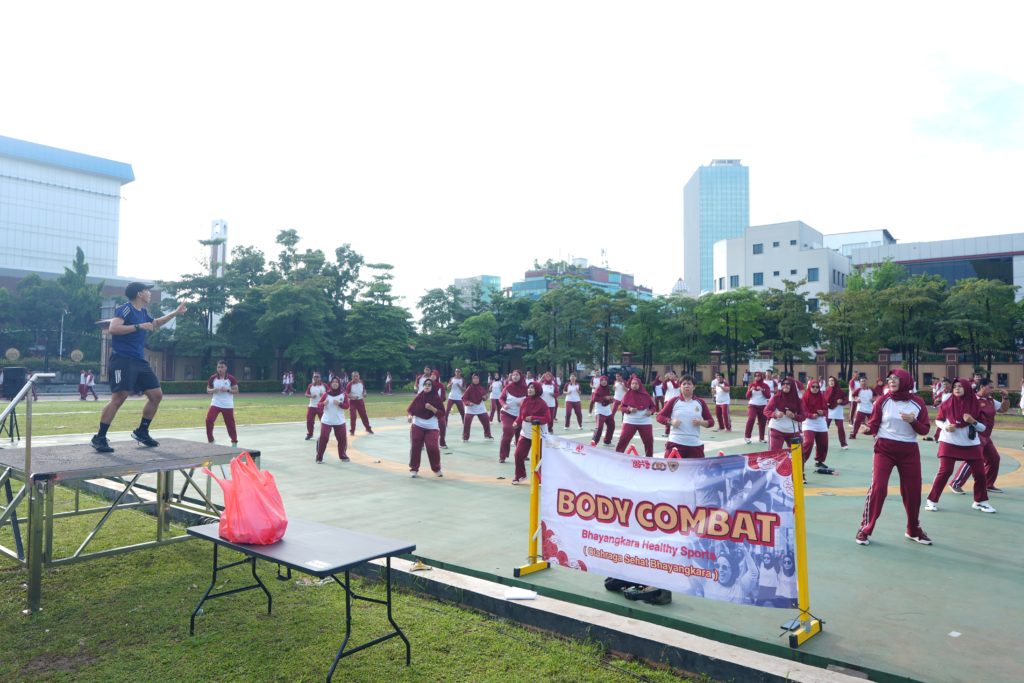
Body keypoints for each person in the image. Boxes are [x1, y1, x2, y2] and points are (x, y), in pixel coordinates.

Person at [90, 282, 187, 453]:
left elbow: (155, 323)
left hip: (139, 361)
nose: (150, 293)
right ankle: (99, 437)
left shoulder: (143, 312)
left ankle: (142, 431)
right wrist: (138, 326)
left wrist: (175, 313)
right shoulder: (125, 309)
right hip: (122, 359)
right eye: (147, 291)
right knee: (119, 397)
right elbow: (113, 328)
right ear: (139, 294)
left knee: (156, 395)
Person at [855, 369, 932, 546]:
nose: (891, 382)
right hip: (885, 449)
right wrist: (868, 430)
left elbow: (925, 430)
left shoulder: (918, 403)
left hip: (909, 451)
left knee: (913, 491)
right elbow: (874, 424)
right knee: (879, 487)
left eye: (896, 379)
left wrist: (913, 421)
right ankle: (865, 528)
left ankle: (913, 529)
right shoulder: (883, 400)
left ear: (905, 381)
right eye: (889, 379)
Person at [924, 378, 996, 513]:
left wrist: (973, 421)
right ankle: (931, 501)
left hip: (971, 443)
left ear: (967, 389)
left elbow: (982, 428)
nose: (956, 388)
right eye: (955, 386)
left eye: (960, 386)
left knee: (980, 473)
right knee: (945, 471)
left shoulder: (976, 405)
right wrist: (945, 427)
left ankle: (980, 502)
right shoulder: (947, 403)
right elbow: (938, 420)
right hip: (948, 442)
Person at [656, 374, 714, 458]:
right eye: (684, 384)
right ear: (680, 386)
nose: (686, 386)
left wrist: (701, 422)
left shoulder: (700, 402)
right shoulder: (674, 401)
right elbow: (659, 416)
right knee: (671, 470)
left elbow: (711, 422)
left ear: (694, 387)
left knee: (697, 470)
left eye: (689, 384)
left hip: (694, 444)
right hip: (675, 443)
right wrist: (671, 421)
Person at [511, 381, 550, 484]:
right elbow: (521, 416)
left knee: (540, 458)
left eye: (532, 388)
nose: (530, 389)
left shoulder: (542, 403)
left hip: (540, 436)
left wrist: (533, 418)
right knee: (518, 455)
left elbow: (547, 418)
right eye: (529, 387)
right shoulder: (524, 401)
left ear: (537, 390)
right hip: (526, 434)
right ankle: (520, 475)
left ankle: (541, 478)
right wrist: (516, 422)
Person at [407, 377, 444, 477]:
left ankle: (436, 468)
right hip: (417, 425)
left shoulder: (436, 398)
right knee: (415, 446)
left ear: (432, 387)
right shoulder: (419, 397)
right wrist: (410, 416)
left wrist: (432, 408)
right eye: (425, 384)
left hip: (432, 427)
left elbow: (441, 414)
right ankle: (414, 469)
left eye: (429, 385)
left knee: (432, 447)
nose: (427, 386)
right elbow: (410, 409)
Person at [615, 376, 657, 457]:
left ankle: (649, 458)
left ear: (640, 385)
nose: (634, 385)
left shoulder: (646, 395)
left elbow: (653, 407)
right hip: (630, 421)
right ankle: (617, 456)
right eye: (632, 384)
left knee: (649, 441)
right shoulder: (627, 395)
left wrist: (651, 411)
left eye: (636, 384)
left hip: (645, 421)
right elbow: (621, 407)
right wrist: (629, 409)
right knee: (623, 439)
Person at [800, 380, 834, 475]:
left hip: (820, 422)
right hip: (808, 422)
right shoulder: (805, 398)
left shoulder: (821, 397)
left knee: (823, 443)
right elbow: (803, 412)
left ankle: (819, 461)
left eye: (817, 387)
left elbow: (826, 411)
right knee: (808, 442)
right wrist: (811, 415)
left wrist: (822, 412)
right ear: (809, 387)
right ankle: (800, 462)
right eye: (813, 387)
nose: (815, 388)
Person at [763, 377, 804, 451]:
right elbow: (766, 410)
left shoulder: (799, 401)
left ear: (793, 386)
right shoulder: (776, 398)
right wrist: (775, 414)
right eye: (783, 384)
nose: (785, 385)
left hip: (793, 431)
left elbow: (803, 416)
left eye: (788, 384)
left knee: (797, 454)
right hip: (777, 429)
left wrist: (794, 416)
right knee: (774, 454)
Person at [316, 377, 350, 463]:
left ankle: (342, 455)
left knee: (342, 438)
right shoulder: (326, 394)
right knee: (324, 438)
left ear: (339, 384)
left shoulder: (343, 394)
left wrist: (340, 404)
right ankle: (319, 457)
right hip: (327, 420)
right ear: (330, 384)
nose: (335, 384)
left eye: (337, 382)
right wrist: (323, 403)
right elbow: (318, 404)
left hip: (339, 421)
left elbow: (347, 406)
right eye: (333, 382)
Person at [205, 360, 239, 446]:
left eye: (222, 367)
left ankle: (234, 442)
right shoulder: (213, 378)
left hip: (227, 405)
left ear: (226, 368)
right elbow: (208, 390)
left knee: (230, 423)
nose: (220, 369)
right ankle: (211, 440)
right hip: (215, 403)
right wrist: (213, 390)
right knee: (209, 420)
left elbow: (236, 390)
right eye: (218, 367)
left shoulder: (231, 378)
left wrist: (227, 390)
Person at [498, 370, 527, 463]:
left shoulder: (526, 389)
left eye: (517, 375)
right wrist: (504, 405)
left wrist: (524, 403)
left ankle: (521, 455)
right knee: (508, 431)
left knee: (521, 436)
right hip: (507, 414)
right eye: (513, 375)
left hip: (520, 416)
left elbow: (531, 399)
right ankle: (502, 456)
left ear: (521, 376)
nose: (515, 376)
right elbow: (501, 398)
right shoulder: (508, 387)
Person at [461, 373, 493, 441]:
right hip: (470, 407)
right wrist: (468, 403)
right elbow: (464, 398)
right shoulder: (469, 388)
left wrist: (485, 397)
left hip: (480, 407)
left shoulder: (481, 388)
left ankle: (487, 435)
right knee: (467, 422)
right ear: (472, 380)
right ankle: (465, 437)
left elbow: (485, 397)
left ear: (479, 379)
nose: (476, 380)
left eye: (477, 378)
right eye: (474, 378)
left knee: (486, 420)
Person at [744, 371, 770, 444]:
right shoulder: (751, 385)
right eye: (756, 376)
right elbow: (747, 396)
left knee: (762, 422)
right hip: (753, 405)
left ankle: (761, 438)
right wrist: (750, 391)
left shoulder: (765, 385)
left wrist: (762, 390)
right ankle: (747, 437)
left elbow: (768, 396)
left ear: (761, 377)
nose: (757, 377)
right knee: (751, 419)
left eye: (759, 375)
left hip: (763, 405)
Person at [590, 376, 616, 446]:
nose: (604, 381)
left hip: (607, 410)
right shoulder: (598, 389)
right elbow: (594, 399)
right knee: (599, 428)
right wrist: (605, 398)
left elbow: (609, 398)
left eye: (605, 380)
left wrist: (611, 399)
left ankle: (607, 441)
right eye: (602, 380)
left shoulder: (608, 388)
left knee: (612, 426)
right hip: (600, 411)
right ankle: (594, 443)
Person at [823, 376, 848, 449]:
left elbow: (846, 400)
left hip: (838, 411)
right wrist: (826, 404)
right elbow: (823, 400)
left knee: (840, 428)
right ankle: (819, 442)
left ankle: (843, 444)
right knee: (824, 427)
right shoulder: (827, 391)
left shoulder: (840, 391)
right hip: (828, 411)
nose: (831, 382)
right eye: (829, 381)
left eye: (832, 381)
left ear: (835, 382)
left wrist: (841, 401)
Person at [346, 371, 374, 435]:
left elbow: (364, 390)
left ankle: (368, 428)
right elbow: (346, 394)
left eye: (357, 376)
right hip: (352, 402)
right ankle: (352, 431)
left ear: (359, 376)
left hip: (360, 401)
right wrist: (352, 396)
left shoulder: (361, 382)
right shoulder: (349, 384)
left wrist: (364, 393)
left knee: (364, 415)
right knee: (353, 416)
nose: (356, 378)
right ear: (352, 377)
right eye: (354, 376)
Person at [304, 372, 326, 440]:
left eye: (317, 377)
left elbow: (330, 393)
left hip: (321, 406)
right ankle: (310, 434)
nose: (315, 378)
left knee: (323, 421)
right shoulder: (310, 385)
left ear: (320, 378)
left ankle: (323, 435)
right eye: (314, 377)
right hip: (312, 406)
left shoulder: (324, 385)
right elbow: (306, 394)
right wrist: (311, 396)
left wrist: (324, 394)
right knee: (309, 421)